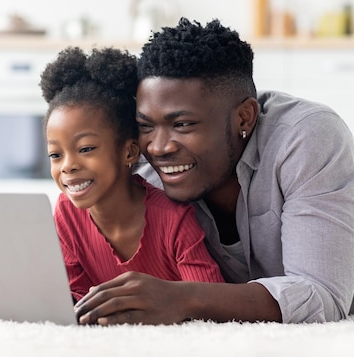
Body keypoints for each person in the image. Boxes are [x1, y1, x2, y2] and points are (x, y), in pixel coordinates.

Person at [74, 18, 354, 325]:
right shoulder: (143, 165)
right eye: (146, 125)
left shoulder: (307, 134)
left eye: (183, 124)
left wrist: (186, 296)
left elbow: (322, 296)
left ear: (245, 118)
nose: (159, 147)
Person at [39, 46, 224, 304]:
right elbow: (75, 299)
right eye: (55, 155)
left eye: (86, 149)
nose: (68, 166)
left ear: (129, 152)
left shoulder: (174, 220)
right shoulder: (67, 214)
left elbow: (211, 305)